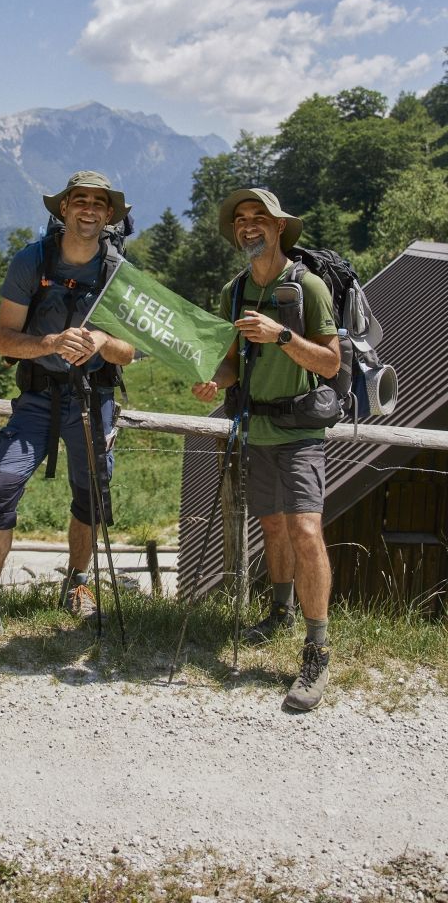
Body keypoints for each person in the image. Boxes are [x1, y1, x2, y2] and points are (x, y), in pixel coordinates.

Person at [0, 170, 136, 650]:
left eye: (98, 203)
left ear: (109, 215)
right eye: (79, 200)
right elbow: (4, 338)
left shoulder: (119, 271)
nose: (88, 209)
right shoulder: (31, 260)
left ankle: (78, 581)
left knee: (91, 493)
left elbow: (132, 351)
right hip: (38, 395)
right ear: (62, 209)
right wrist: (49, 343)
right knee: (2, 482)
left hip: (93, 396)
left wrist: (104, 342)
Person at [192, 188, 340, 711]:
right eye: (242, 220)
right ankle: (279, 612)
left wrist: (280, 336)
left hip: (300, 430)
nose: (249, 227)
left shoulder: (310, 288)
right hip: (255, 428)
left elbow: (329, 364)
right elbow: (232, 362)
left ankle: (317, 648)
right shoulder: (236, 290)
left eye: (260, 219)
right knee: (272, 525)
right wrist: (216, 379)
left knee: (304, 527)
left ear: (280, 229)